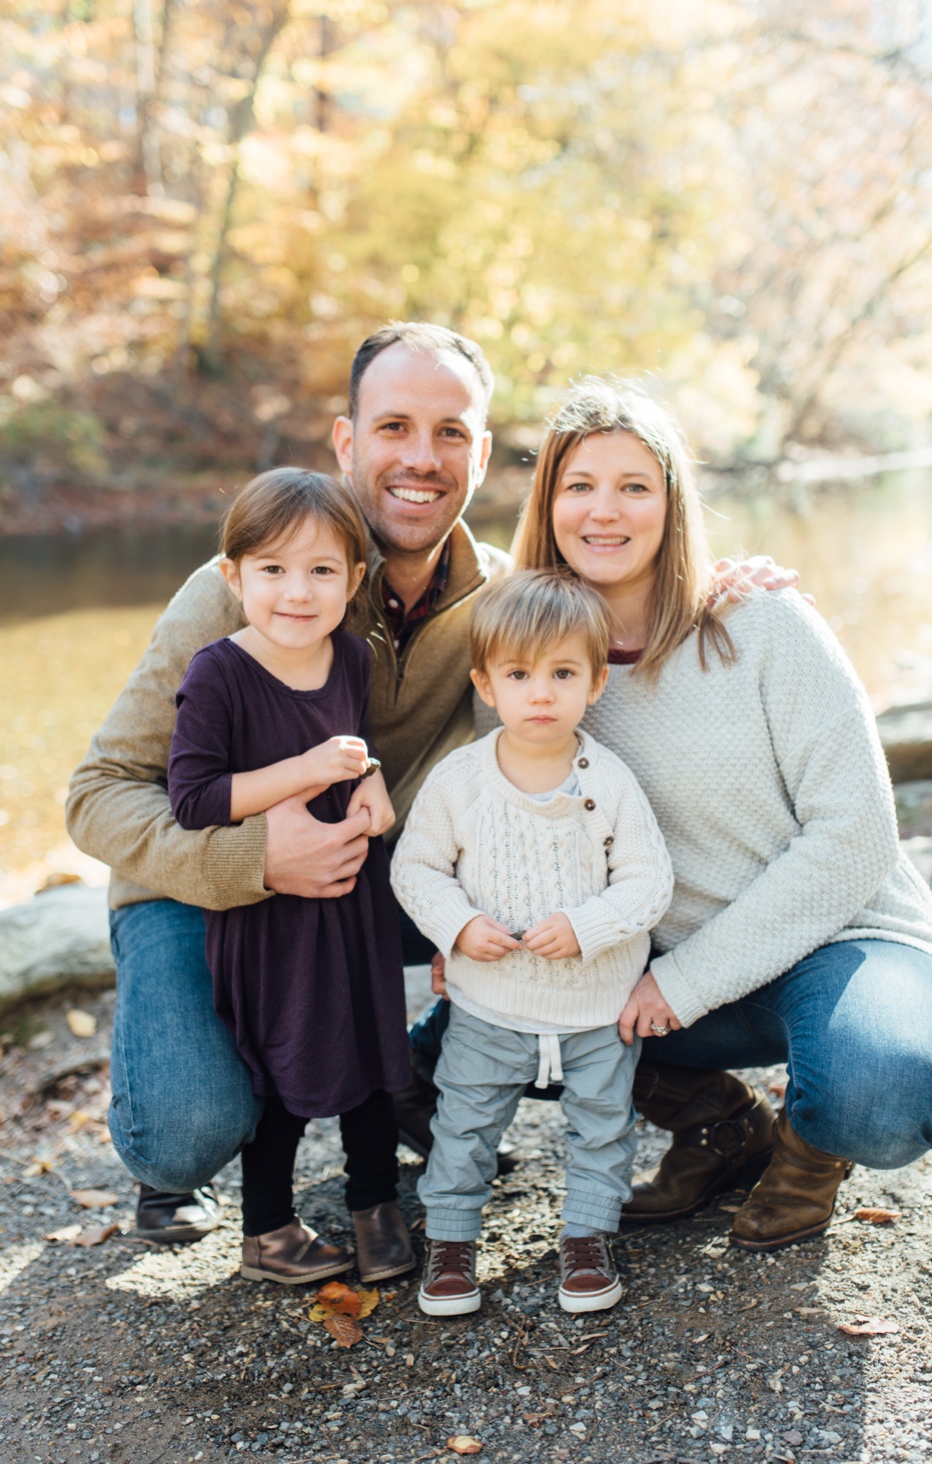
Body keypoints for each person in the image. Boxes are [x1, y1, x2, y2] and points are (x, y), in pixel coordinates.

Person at [64, 322, 787, 1247]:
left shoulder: (498, 600)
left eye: (451, 432)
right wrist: (252, 858)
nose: (422, 456)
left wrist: (723, 588)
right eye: (395, 425)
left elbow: (610, 605)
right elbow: (97, 793)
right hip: (194, 885)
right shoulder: (244, 590)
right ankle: (203, 1112)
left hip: (367, 874)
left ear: (482, 455)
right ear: (347, 441)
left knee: (556, 889)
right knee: (186, 1136)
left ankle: (443, 1077)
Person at [495, 379, 932, 1250]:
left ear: (673, 504)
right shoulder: (528, 659)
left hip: (843, 940)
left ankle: (813, 1146)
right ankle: (720, 1125)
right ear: (547, 503)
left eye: (635, 486)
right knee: (483, 1027)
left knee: (879, 1094)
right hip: (668, 967)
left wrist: (680, 987)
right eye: (580, 485)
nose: (605, 511)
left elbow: (854, 838)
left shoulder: (762, 624)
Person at [394, 569, 672, 1315]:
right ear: (487, 685)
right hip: (490, 1005)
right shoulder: (461, 782)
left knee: (603, 1129)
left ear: (595, 684)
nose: (541, 693)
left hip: (596, 1007)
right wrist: (457, 926)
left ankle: (587, 1241)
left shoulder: (610, 783)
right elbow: (414, 867)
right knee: (464, 1122)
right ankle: (451, 1245)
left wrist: (587, 927)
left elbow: (649, 884)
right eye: (520, 675)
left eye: (562, 674)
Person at [165, 469, 413, 1284]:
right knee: (284, 1062)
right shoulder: (218, 674)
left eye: (321, 571)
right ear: (233, 578)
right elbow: (196, 799)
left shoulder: (349, 657)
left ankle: (376, 1207)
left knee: (374, 1052)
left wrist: (368, 780)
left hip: (350, 902)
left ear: (354, 580)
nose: (296, 592)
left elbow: (354, 747)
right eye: (272, 569)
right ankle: (267, 1230)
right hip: (269, 914)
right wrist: (302, 768)